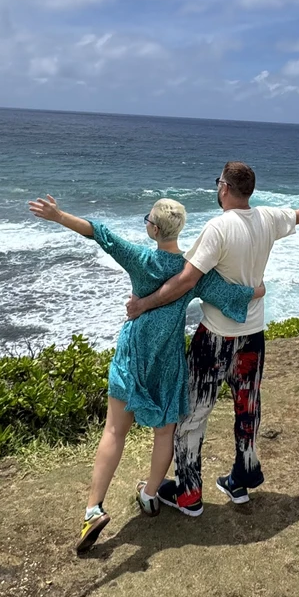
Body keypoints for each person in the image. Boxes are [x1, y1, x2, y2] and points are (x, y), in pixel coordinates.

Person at [27, 193, 262, 553]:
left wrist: (59, 216)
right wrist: (258, 289)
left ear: (153, 229)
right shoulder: (192, 272)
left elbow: (100, 233)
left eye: (147, 220)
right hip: (168, 359)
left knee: (114, 431)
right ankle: (150, 494)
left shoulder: (140, 259)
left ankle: (93, 510)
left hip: (135, 354)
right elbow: (230, 294)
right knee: (164, 432)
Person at [125, 162, 299, 516]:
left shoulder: (218, 228)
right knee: (247, 410)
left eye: (219, 183)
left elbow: (186, 280)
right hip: (253, 336)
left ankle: (189, 494)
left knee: (192, 416)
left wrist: (143, 304)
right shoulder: (267, 218)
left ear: (225, 188)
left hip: (215, 339)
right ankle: (240, 481)